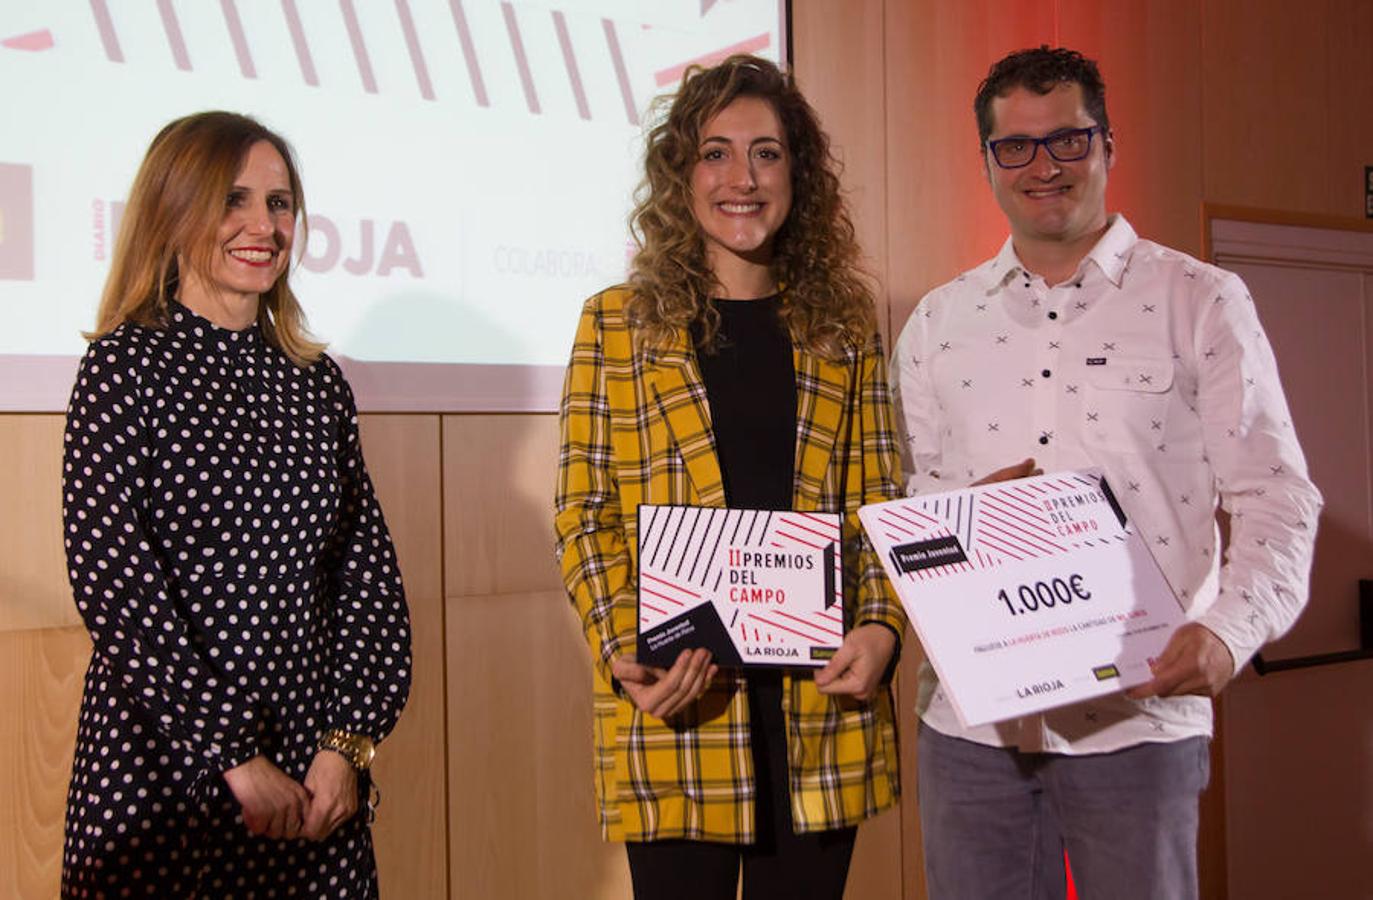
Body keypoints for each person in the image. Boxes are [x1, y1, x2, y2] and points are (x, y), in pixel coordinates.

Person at [890, 46, 1323, 899]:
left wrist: (1229, 632)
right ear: (985, 162)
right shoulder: (938, 322)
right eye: (1014, 146)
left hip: (1139, 722)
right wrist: (960, 518)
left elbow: (1276, 495)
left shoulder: (1200, 299)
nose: (1042, 166)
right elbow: (912, 500)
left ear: (1107, 145)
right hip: (970, 728)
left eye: (1066, 140)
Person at [554, 55, 906, 899]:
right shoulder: (615, 324)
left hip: (820, 712)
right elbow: (583, 511)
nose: (740, 178)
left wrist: (883, 630)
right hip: (680, 704)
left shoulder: (844, 324)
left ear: (799, 173)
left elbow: (881, 500)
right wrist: (622, 649)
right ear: (680, 174)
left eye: (766, 153)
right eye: (714, 152)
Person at [60, 111, 412, 897]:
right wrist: (231, 755)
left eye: (279, 203)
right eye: (233, 200)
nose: (263, 226)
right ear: (174, 208)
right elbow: (115, 586)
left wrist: (345, 747)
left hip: (311, 784)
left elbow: (367, 580)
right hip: (162, 776)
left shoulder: (317, 384)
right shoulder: (123, 370)